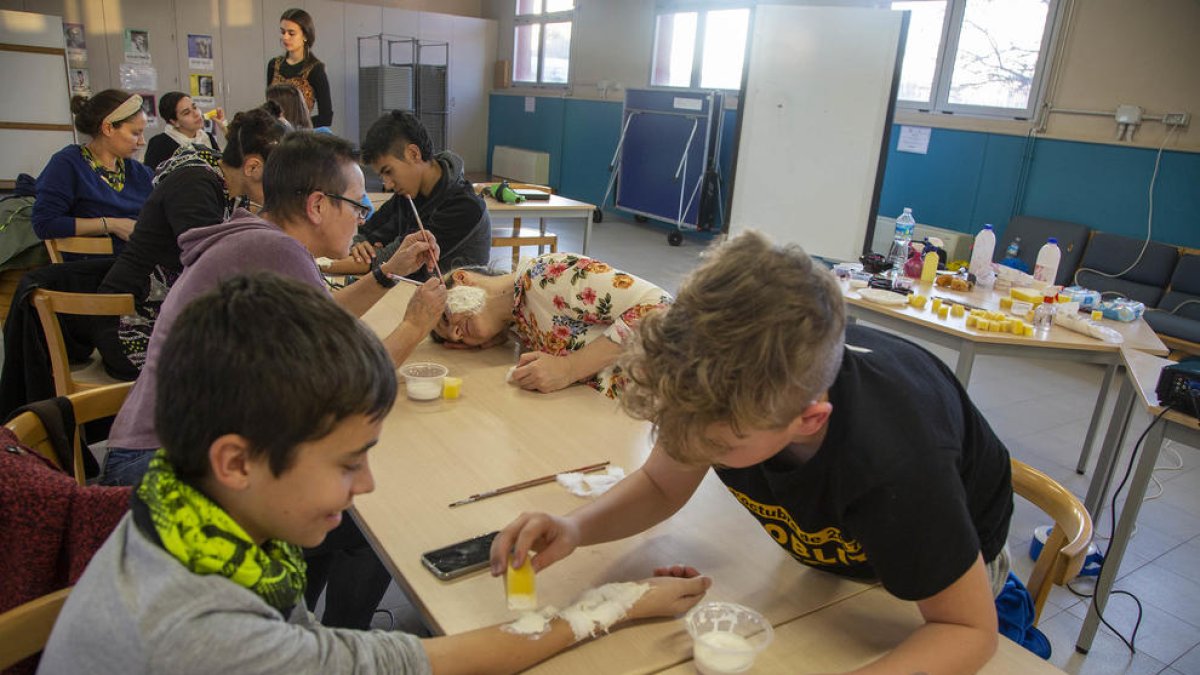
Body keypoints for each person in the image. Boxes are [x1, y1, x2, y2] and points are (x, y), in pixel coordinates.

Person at [36, 271, 711, 674]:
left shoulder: (186, 510)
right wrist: (616, 603)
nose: (366, 485)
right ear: (236, 460)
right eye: (348, 462)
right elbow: (399, 663)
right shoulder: (203, 634)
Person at [491, 231, 1016, 674]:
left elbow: (966, 629)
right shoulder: (733, 394)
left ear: (808, 420)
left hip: (939, 579)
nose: (691, 449)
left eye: (717, 445)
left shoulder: (896, 462)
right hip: (840, 548)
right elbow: (660, 483)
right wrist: (578, 529)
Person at [99, 132, 446, 631]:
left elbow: (323, 318)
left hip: (153, 446)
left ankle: (304, 628)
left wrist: (388, 273)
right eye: (358, 206)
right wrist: (414, 327)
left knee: (341, 517)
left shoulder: (262, 239)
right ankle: (329, 642)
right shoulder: (275, 252)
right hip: (162, 465)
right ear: (318, 205)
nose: (363, 219)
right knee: (370, 524)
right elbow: (342, 381)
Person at [96, 107, 286, 380]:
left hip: (171, 314)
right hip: (133, 324)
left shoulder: (230, 189)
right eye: (278, 176)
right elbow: (211, 269)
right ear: (253, 166)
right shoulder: (194, 182)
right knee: (251, 372)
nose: (280, 187)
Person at [433, 253, 671, 398]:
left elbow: (662, 308)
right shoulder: (521, 321)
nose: (455, 335)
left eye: (446, 317)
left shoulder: (545, 276)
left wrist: (570, 368)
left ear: (462, 279)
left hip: (671, 395)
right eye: (454, 340)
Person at [321, 110, 489, 280]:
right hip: (408, 294)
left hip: (454, 301)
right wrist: (359, 245)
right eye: (382, 176)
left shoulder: (465, 207)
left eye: (389, 172)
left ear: (414, 154)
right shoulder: (408, 195)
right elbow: (365, 232)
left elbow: (391, 259)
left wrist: (318, 266)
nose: (387, 184)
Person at [32, 89, 153, 253]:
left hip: (140, 263)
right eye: (135, 133)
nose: (142, 142)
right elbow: (45, 224)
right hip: (93, 267)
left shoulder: (139, 172)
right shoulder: (68, 164)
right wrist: (112, 224)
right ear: (108, 128)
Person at [268, 8, 332, 129]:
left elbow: (326, 117)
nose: (285, 37)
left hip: (300, 137)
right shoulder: (273, 65)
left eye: (291, 33)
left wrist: (298, 126)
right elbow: (269, 108)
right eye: (283, 32)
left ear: (305, 36)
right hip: (275, 135)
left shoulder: (315, 69)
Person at [142, 92, 223, 171]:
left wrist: (224, 126)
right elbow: (151, 179)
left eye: (194, 107)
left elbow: (223, 169)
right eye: (187, 113)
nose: (196, 114)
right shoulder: (159, 144)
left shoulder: (207, 137)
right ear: (174, 122)